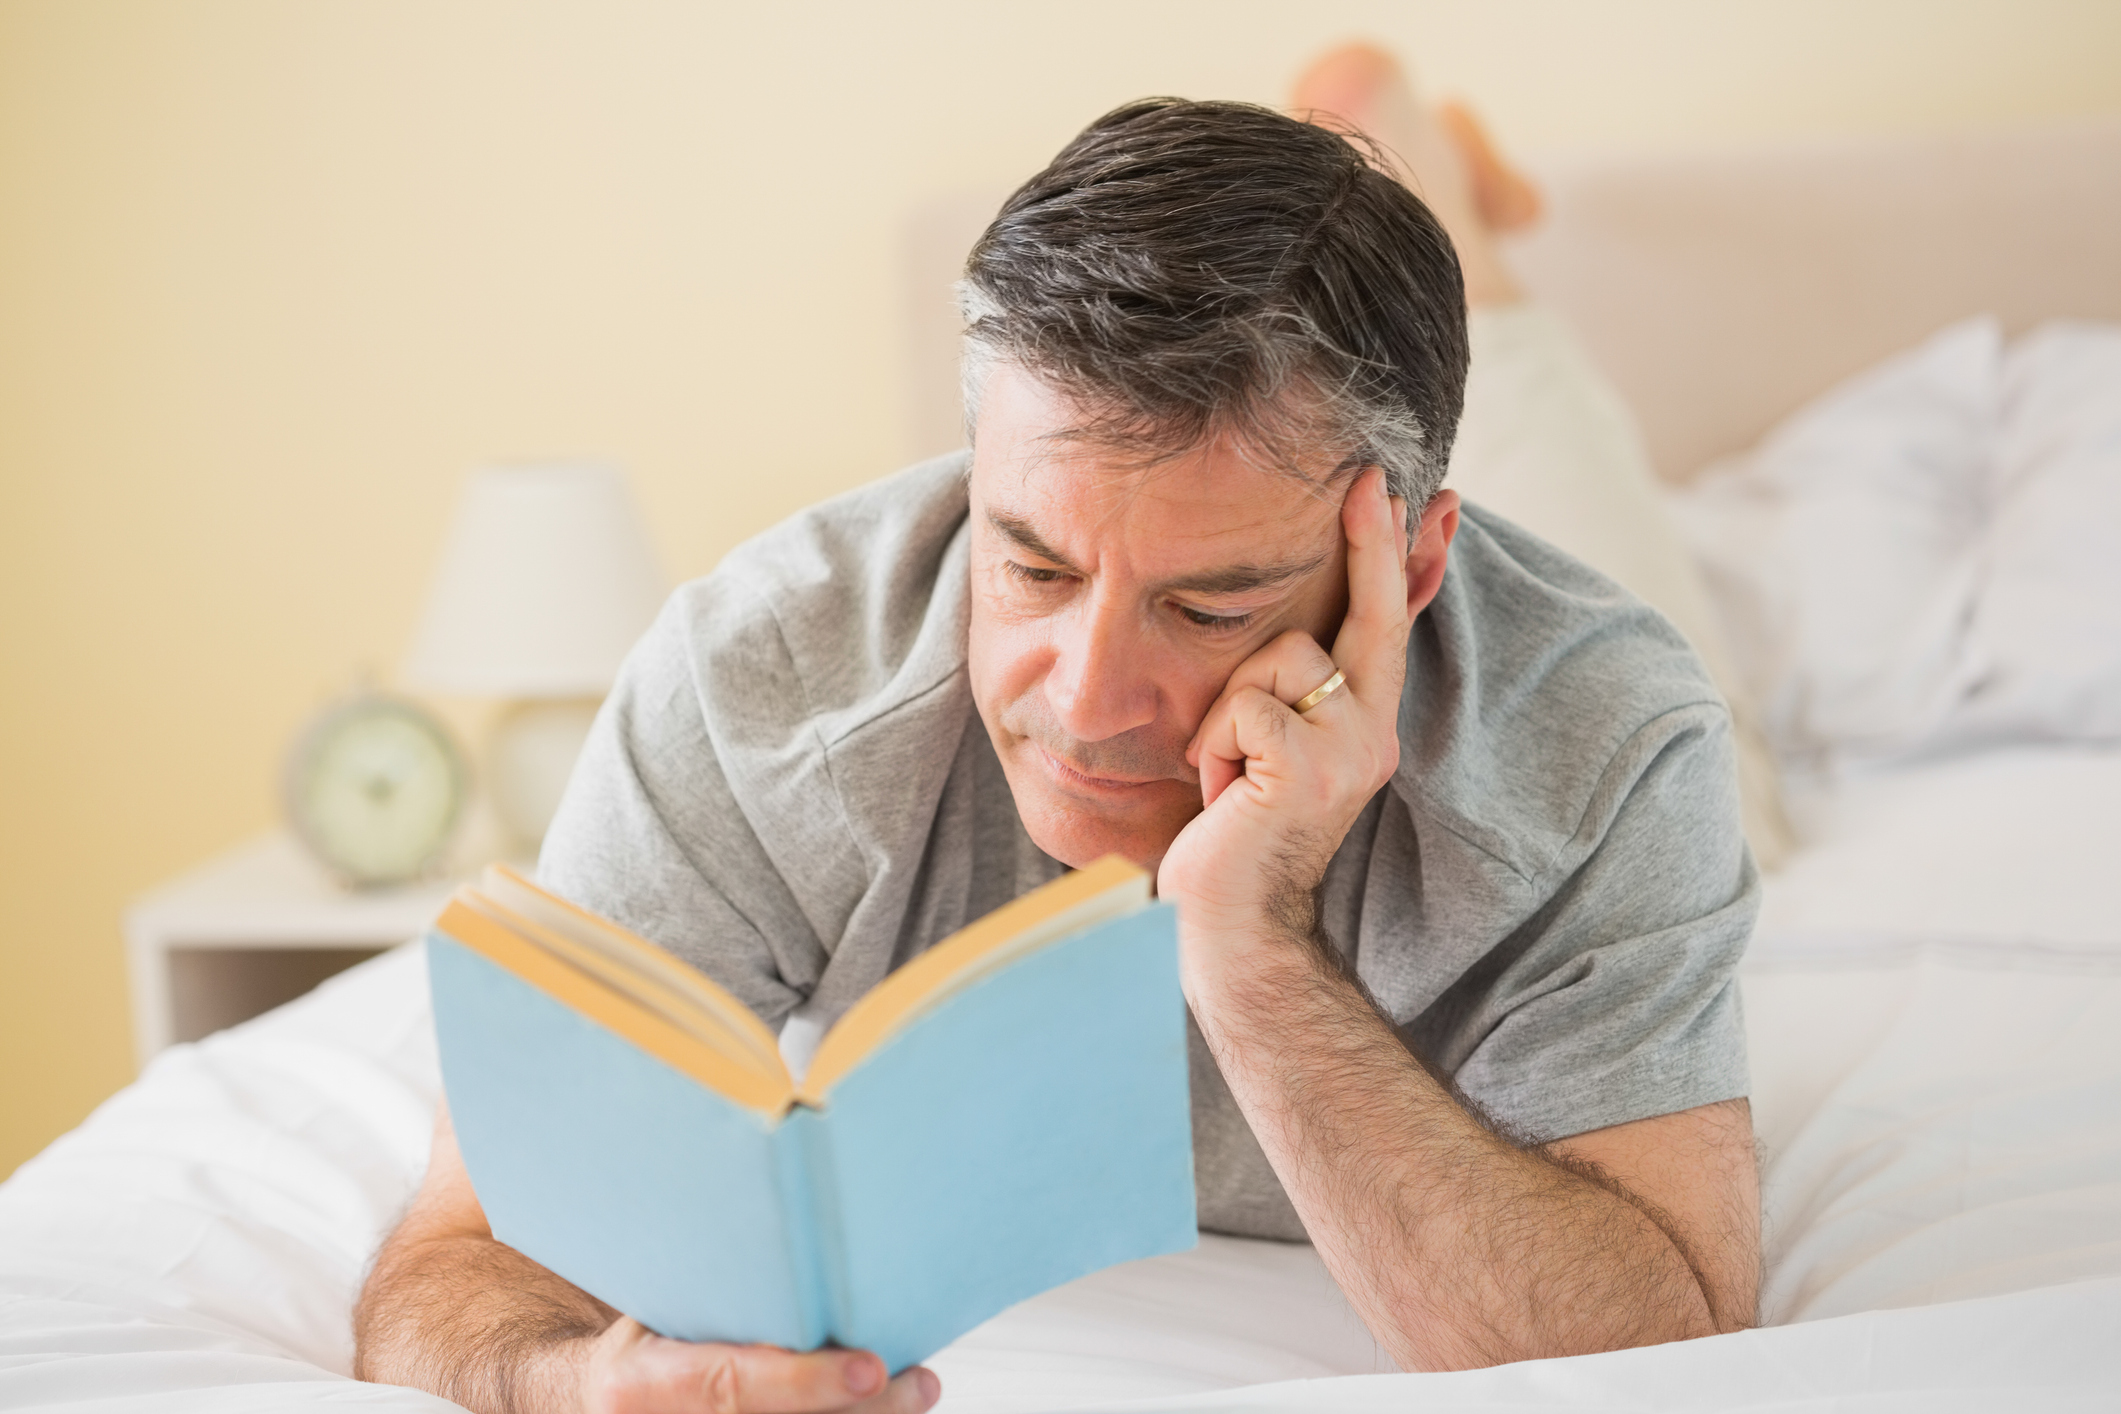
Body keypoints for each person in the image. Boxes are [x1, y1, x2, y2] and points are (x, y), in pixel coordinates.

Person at [353, 45, 1761, 1414]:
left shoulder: (1612, 731)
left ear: (1402, 566)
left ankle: (1443, 192)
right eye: (1031, 564)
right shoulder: (766, 671)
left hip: (1516, 621)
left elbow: (1664, 1354)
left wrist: (1249, 944)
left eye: (1210, 606)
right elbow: (461, 1254)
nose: (1083, 703)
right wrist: (572, 1383)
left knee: (1616, 523)